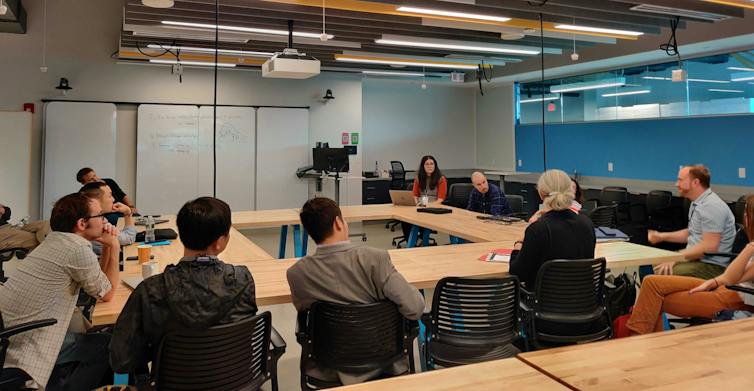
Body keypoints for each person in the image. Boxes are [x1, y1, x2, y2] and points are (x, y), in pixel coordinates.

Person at [110, 197, 257, 381]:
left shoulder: (151, 289)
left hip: (174, 383)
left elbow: (121, 360)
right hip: (237, 380)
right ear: (220, 242)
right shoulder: (243, 279)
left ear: (181, 235)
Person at [287, 197, 425, 385]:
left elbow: (304, 312)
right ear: (338, 223)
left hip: (330, 369)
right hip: (385, 365)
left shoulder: (297, 274)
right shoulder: (375, 259)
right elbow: (414, 308)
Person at [0, 193, 119, 389]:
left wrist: (107, 245)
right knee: (108, 347)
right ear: (82, 223)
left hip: (12, 338)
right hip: (30, 345)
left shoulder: (54, 241)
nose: (105, 221)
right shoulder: (76, 249)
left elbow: (102, 284)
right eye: (100, 215)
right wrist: (113, 245)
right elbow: (107, 294)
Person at [627, 195, 754, 335]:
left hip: (734, 298)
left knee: (654, 301)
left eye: (746, 212)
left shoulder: (714, 207)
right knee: (651, 282)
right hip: (723, 286)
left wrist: (749, 248)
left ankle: (638, 341)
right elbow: (730, 277)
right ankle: (642, 341)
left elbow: (731, 277)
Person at [510, 170, 596, 289]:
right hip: (585, 300)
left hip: (544, 303)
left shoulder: (537, 229)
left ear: (541, 193)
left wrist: (518, 245)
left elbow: (517, 273)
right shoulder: (587, 224)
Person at [648, 165, 736, 279]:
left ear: (695, 182)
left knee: (655, 273)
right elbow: (692, 233)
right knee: (647, 265)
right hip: (695, 259)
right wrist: (660, 236)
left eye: (680, 180)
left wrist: (676, 257)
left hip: (712, 266)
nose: (676, 184)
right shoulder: (697, 203)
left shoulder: (711, 206)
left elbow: (710, 246)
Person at [79, 181, 137, 252]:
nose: (113, 199)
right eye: (110, 196)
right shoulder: (95, 222)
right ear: (96, 201)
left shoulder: (95, 217)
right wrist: (127, 213)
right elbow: (128, 238)